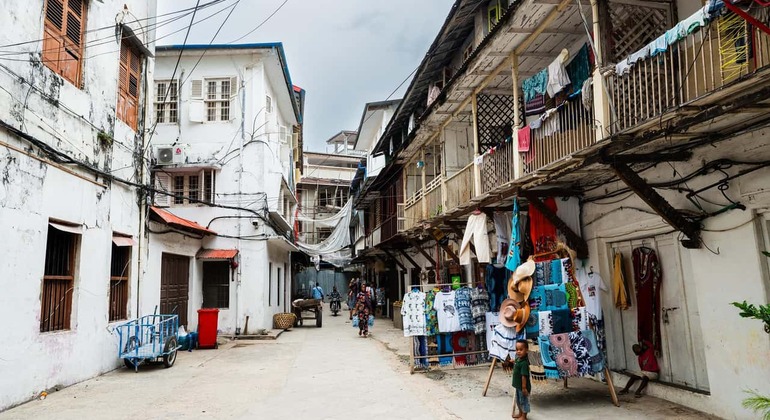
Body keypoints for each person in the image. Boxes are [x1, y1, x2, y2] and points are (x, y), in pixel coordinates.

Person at [512, 339, 531, 419]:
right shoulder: (518, 360)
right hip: (518, 386)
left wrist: (524, 388)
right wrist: (512, 361)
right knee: (519, 401)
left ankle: (524, 416)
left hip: (523, 387)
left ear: (526, 350)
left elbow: (524, 376)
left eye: (521, 349)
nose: (518, 351)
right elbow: (516, 362)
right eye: (517, 350)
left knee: (523, 401)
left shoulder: (524, 363)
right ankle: (520, 413)